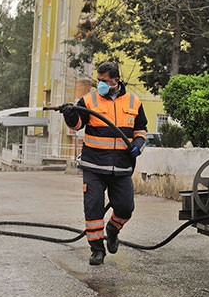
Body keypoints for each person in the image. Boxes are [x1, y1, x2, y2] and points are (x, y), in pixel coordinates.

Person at [60, 61, 148, 265]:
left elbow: (141, 128)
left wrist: (139, 143)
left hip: (122, 167)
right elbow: (77, 125)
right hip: (94, 167)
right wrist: (69, 113)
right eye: (98, 80)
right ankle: (97, 249)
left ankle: (113, 229)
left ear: (116, 81)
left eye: (104, 81)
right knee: (93, 209)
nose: (100, 84)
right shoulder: (89, 100)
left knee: (126, 207)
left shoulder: (134, 102)